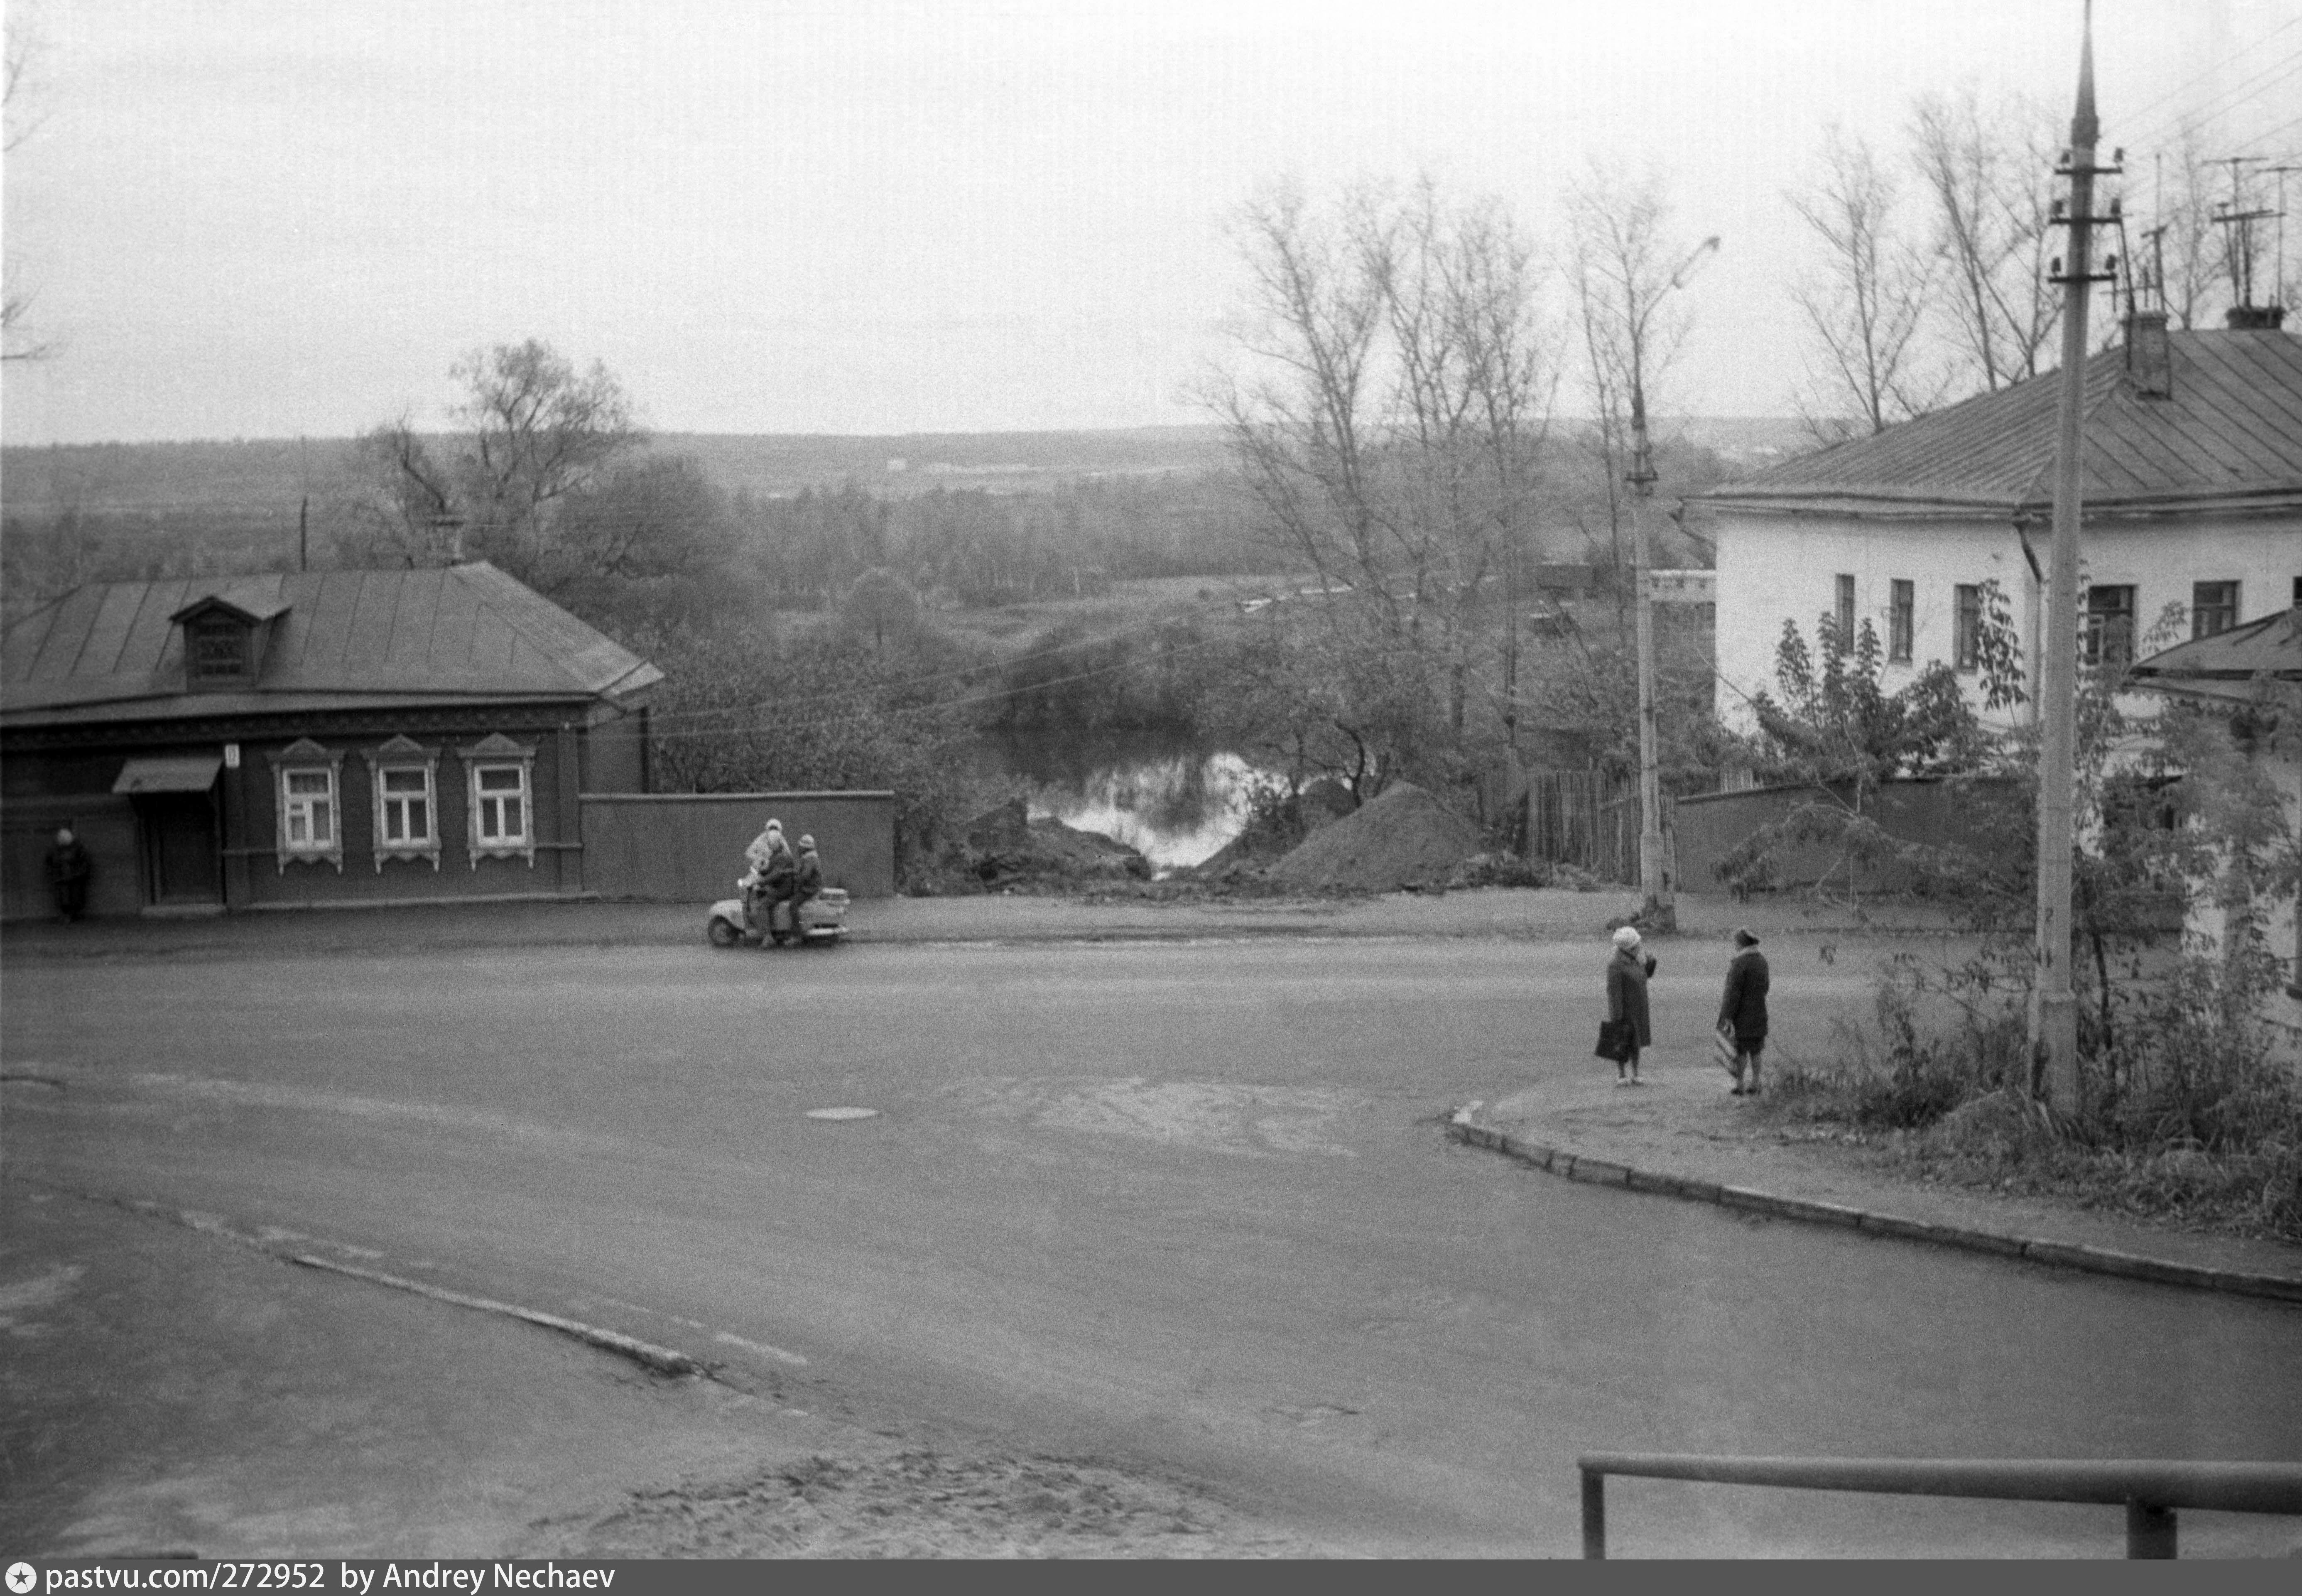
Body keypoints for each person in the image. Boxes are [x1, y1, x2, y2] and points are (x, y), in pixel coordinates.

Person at [1718, 926, 1771, 1096]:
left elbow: (1732, 994)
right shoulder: (1762, 960)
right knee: (1756, 1050)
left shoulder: (1739, 963)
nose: (1734, 945)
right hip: (1759, 1011)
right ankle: (1756, 1082)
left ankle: (1740, 1084)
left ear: (1741, 944)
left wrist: (1727, 1016)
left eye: (1735, 942)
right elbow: (1766, 987)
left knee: (1740, 1051)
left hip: (1742, 1015)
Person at [1605, 924, 1657, 1086]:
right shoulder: (1615, 965)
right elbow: (1614, 993)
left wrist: (1651, 964)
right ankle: (1622, 1075)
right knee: (1622, 1041)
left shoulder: (1635, 961)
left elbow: (1643, 977)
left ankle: (1635, 1073)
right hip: (1625, 1009)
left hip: (1639, 1008)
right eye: (1636, 945)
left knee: (1637, 1042)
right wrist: (1617, 1017)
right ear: (1628, 948)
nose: (1639, 947)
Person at [45, 826, 92, 923]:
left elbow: (85, 862)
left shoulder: (78, 848)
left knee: (74, 897)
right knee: (64, 897)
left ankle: (72, 915)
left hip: (74, 878)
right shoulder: (55, 850)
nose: (62, 839)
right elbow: (49, 863)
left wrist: (79, 874)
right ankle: (67, 914)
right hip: (63, 878)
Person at [791, 834, 823, 934]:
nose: (799, 849)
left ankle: (797, 933)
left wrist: (795, 879)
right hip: (810, 887)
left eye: (800, 847)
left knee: (793, 905)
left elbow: (805, 876)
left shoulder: (810, 858)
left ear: (805, 848)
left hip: (810, 889)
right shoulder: (811, 857)